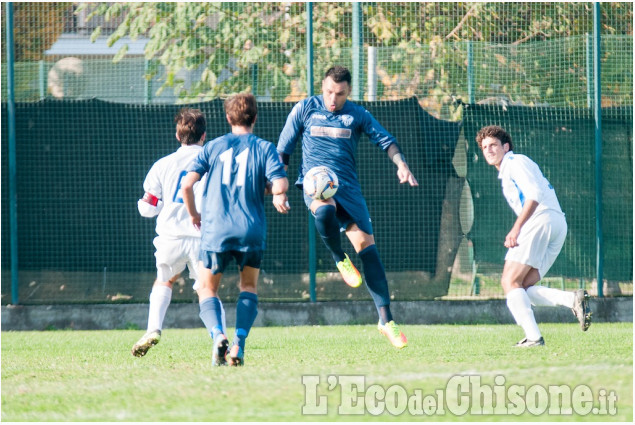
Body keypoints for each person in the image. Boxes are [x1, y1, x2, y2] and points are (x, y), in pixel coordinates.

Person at [277, 66, 418, 349]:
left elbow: (386, 141)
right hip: (314, 183)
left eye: (340, 94)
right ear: (322, 85)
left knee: (369, 251)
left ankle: (386, 321)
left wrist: (401, 164)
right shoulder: (305, 109)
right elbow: (284, 149)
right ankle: (340, 257)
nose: (333, 98)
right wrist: (279, 190)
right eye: (329, 91)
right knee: (325, 209)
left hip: (349, 190)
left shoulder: (358, 114)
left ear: (348, 92)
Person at [182, 93, 289, 366]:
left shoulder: (214, 146)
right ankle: (239, 342)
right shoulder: (265, 148)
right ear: (255, 117)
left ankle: (218, 335)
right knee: (248, 286)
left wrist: (194, 214)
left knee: (207, 288)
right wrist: (277, 195)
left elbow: (186, 184)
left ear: (228, 118)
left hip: (216, 229)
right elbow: (278, 185)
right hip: (250, 230)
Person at [475, 125, 592, 347]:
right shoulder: (508, 169)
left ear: (506, 147)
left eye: (493, 145)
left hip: (542, 219)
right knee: (523, 287)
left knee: (509, 281)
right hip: (555, 222)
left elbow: (534, 195)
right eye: (484, 147)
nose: (489, 150)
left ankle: (534, 338)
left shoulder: (514, 162)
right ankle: (572, 300)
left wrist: (517, 228)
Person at [132, 108, 225, 357]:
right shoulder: (214, 163)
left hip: (171, 237)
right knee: (208, 289)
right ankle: (219, 337)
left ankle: (153, 329)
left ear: (177, 135)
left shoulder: (162, 165)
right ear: (204, 135)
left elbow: (148, 208)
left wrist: (155, 206)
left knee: (165, 280)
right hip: (204, 236)